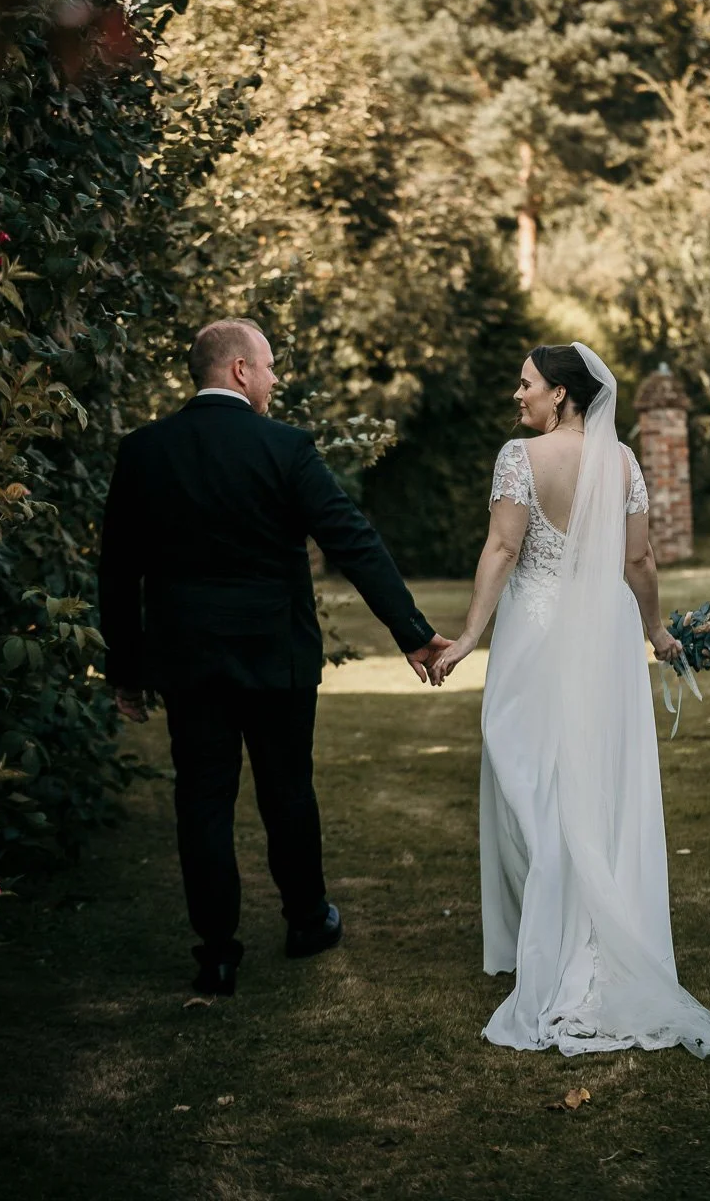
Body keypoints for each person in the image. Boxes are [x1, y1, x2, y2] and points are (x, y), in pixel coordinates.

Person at [99, 317, 451, 996]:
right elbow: (353, 541)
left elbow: (118, 572)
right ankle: (305, 922)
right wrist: (410, 631)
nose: (273, 378)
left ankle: (217, 953)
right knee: (286, 788)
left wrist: (127, 670)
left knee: (200, 798)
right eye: (266, 366)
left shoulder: (145, 450)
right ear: (237, 371)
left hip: (189, 658)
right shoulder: (284, 448)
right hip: (276, 657)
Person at [433, 342, 710, 1057]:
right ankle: (590, 927)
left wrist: (472, 632)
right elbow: (638, 560)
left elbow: (502, 550)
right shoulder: (621, 462)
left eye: (526, 383)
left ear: (560, 394)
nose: (517, 394)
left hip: (534, 638)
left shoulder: (519, 458)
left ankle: (560, 934)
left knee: (530, 778)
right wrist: (655, 630)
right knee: (594, 779)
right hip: (602, 636)